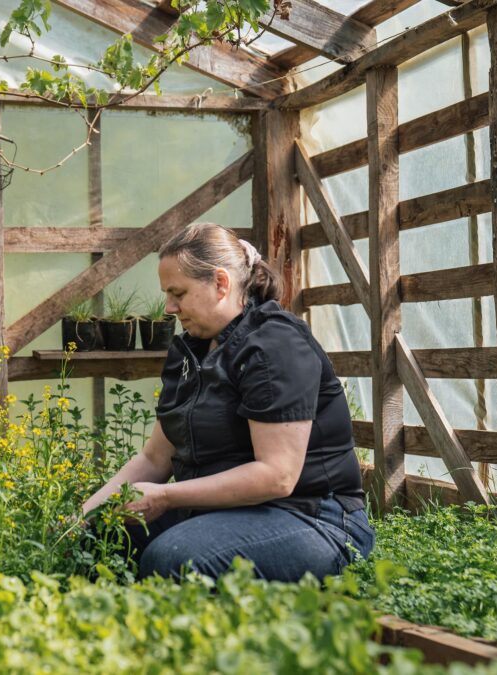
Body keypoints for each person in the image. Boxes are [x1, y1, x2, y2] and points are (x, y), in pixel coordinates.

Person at [81, 223, 374, 582]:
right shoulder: (190, 350)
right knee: (102, 536)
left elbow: (277, 476)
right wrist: (79, 518)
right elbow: (154, 458)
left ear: (221, 283)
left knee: (173, 559)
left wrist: (166, 496)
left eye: (178, 293)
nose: (169, 307)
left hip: (311, 517)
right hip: (224, 513)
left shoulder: (274, 345)